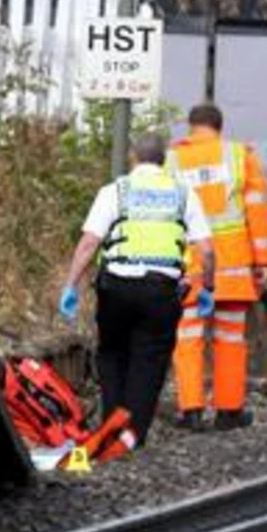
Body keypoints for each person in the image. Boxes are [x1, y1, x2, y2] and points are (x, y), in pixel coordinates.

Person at [59, 132, 215, 458]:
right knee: (151, 360)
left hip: (116, 287)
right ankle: (133, 437)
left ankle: (112, 431)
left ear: (133, 157)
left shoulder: (116, 191)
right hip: (161, 291)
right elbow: (207, 250)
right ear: (164, 160)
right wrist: (208, 288)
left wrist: (71, 284)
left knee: (113, 354)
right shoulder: (182, 193)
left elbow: (89, 242)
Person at [167, 103, 267, 431]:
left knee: (188, 337)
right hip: (232, 266)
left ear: (191, 127)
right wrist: (262, 260)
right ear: (219, 127)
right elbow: (258, 211)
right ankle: (229, 411)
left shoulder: (171, 160)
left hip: (190, 266)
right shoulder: (240, 155)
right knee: (230, 337)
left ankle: (192, 411)